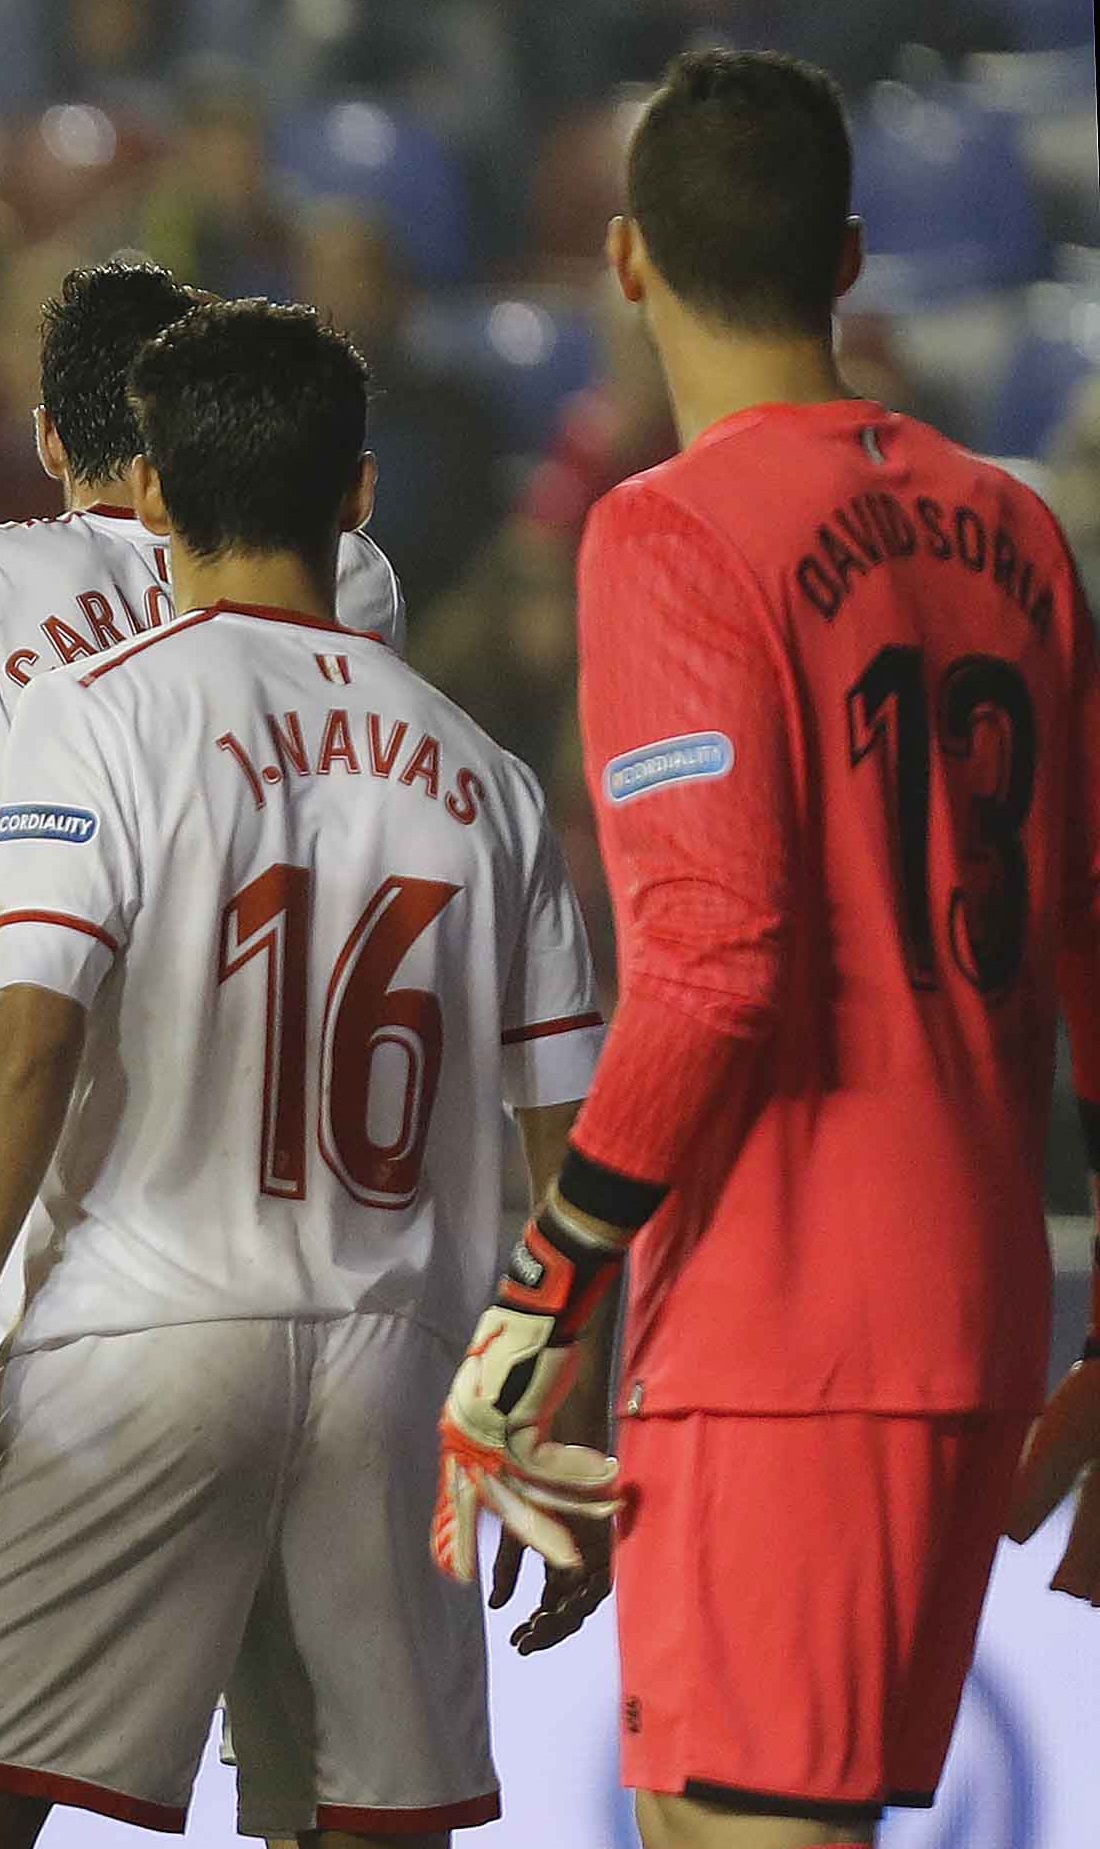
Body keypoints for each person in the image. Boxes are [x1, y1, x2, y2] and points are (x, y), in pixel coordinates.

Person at [435, 49, 1100, 1848]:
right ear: (851, 254)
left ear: (628, 259)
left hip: (786, 1324)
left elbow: (716, 963)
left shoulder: (662, 531)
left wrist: (538, 1292)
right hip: (973, 1308)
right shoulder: (1019, 527)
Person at [0, 299, 606, 1847]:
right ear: (355, 493)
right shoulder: (487, 775)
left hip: (141, 1333)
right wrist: (565, 1398)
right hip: (394, 1359)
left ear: (149, 496)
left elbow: (27, 1043)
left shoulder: (99, 709)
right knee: (364, 1824)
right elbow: (570, 1150)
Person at [0, 256, 406, 1792]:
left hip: (39, 1315)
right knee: (326, 1802)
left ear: (53, 446)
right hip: (315, 1289)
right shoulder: (354, 582)